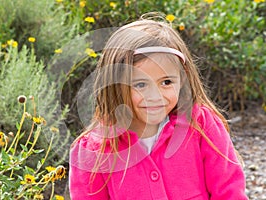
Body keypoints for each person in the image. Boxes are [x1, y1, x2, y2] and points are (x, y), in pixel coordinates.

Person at [69, 14, 248, 200]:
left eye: (166, 82)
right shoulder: (94, 151)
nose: (155, 96)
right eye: (140, 84)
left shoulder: (201, 125)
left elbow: (229, 191)